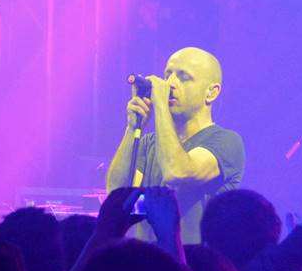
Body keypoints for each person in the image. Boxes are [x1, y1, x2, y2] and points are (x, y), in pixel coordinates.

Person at [105, 47, 245, 244]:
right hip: (146, 258)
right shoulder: (150, 143)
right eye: (167, 75)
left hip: (191, 261)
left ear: (211, 93)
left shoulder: (226, 141)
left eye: (184, 77)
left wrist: (161, 105)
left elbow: (178, 172)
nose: (170, 84)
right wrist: (132, 128)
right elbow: (115, 193)